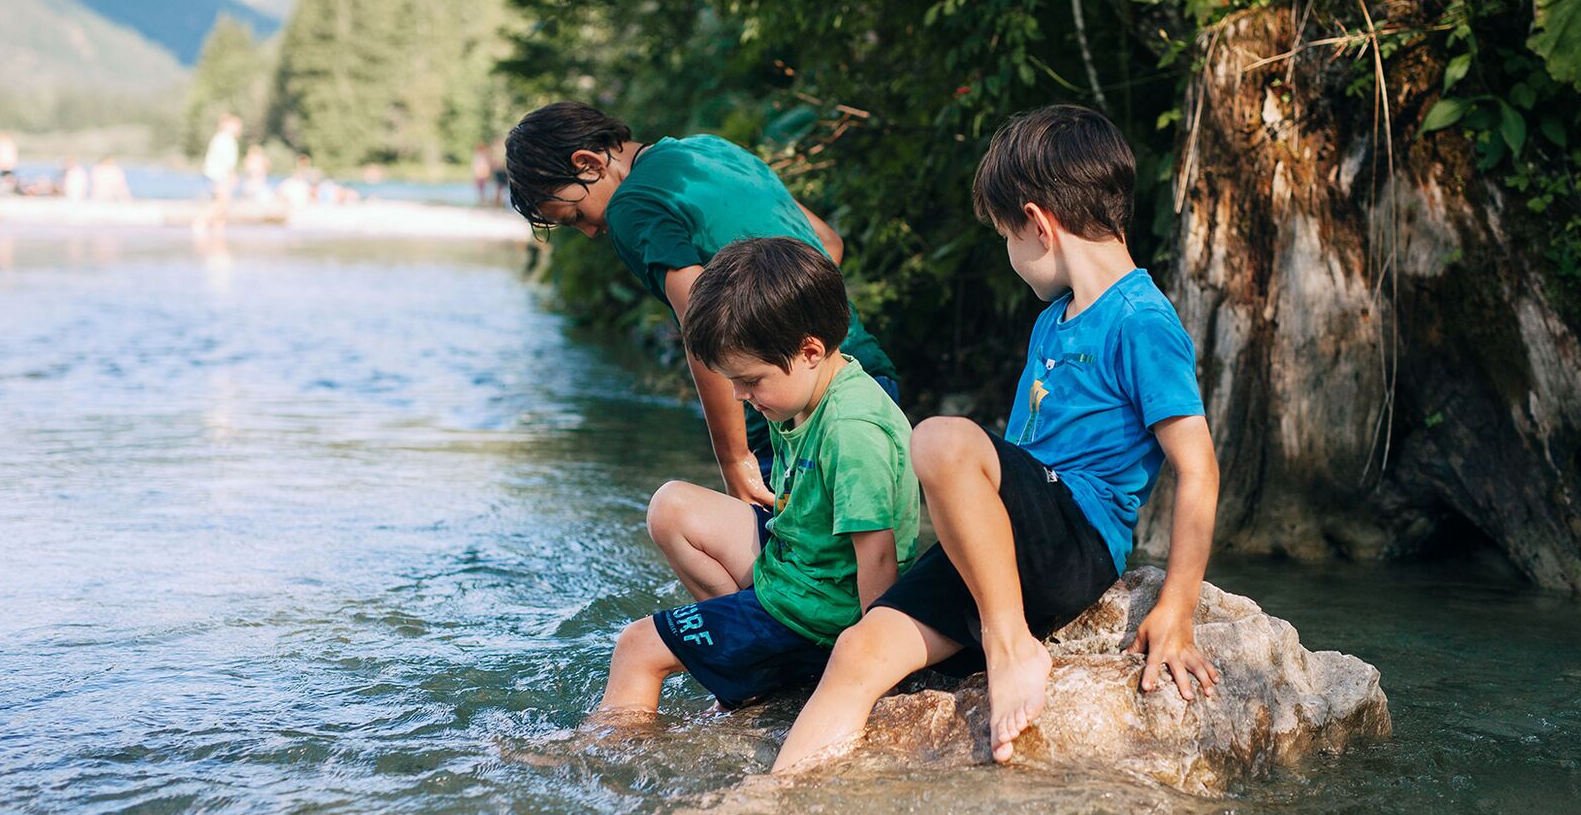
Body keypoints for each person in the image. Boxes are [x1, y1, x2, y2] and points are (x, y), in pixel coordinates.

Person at [770, 105, 1222, 773]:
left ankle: (1010, 645)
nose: (1009, 255)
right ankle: (777, 796)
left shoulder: (1142, 322)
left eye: (1006, 236)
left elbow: (1199, 467)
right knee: (859, 651)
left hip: (1075, 540)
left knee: (941, 440)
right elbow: (1013, 466)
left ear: (1038, 226)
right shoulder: (1054, 322)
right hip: (1015, 547)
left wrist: (1178, 606)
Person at [506, 102, 899, 507]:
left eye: (574, 214)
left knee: (784, 564)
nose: (589, 232)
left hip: (787, 413)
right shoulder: (714, 150)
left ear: (588, 163)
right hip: (866, 375)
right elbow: (828, 242)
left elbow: (704, 324)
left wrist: (734, 459)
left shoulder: (630, 207)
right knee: (866, 550)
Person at [596, 237, 919, 714]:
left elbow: (877, 558)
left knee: (637, 648)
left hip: (821, 611)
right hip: (799, 567)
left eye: (749, 381)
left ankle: (597, 760)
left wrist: (878, 675)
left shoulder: (852, 430)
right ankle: (752, 666)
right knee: (671, 507)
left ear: (809, 350)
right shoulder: (810, 390)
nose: (741, 396)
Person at [202, 114, 241, 226]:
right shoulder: (226, 139)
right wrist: (232, 176)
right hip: (218, 176)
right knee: (222, 204)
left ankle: (217, 228)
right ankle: (201, 223)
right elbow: (227, 161)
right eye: (237, 125)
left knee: (220, 203)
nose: (239, 129)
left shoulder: (220, 137)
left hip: (214, 175)